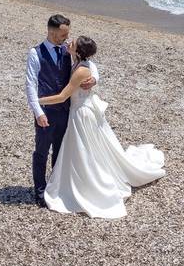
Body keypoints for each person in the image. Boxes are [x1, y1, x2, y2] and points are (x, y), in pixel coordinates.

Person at [39, 36, 165, 218]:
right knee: (85, 149)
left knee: (84, 151)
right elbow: (93, 68)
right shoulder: (78, 61)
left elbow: (62, 96)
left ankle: (90, 186)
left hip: (82, 114)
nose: (69, 42)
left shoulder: (81, 70)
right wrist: (95, 78)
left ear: (79, 52)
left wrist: (37, 101)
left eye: (72, 43)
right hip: (80, 110)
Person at [25, 15, 96, 207]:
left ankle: (55, 189)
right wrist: (38, 111)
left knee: (60, 151)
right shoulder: (35, 53)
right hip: (46, 112)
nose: (66, 38)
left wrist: (94, 79)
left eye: (67, 34)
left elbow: (88, 65)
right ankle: (39, 193)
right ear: (51, 32)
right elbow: (30, 85)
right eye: (63, 34)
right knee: (41, 152)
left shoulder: (68, 50)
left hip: (66, 111)